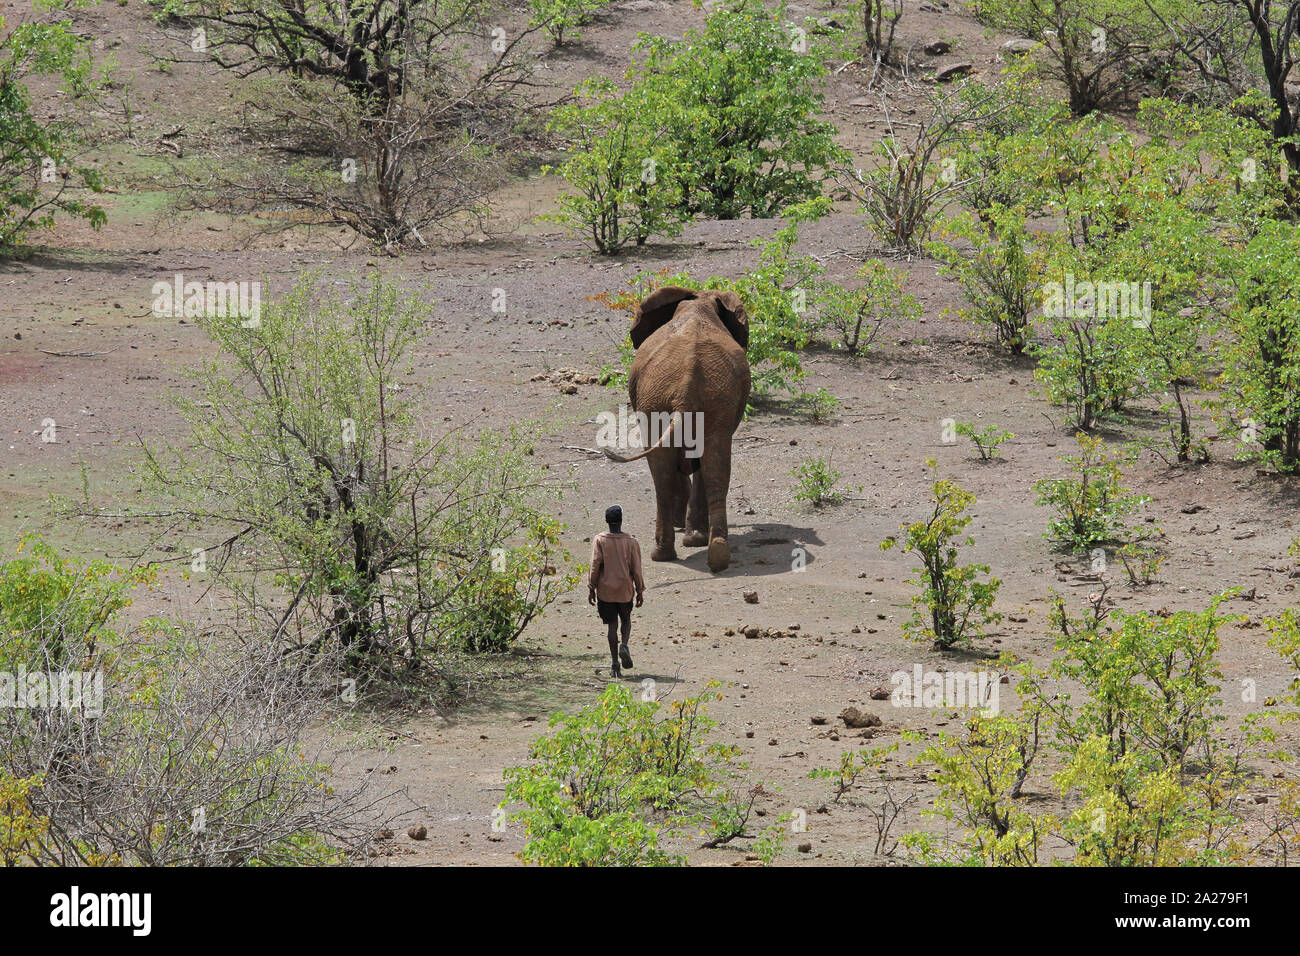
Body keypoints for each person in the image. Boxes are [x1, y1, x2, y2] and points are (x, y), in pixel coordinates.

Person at [588, 504, 645, 678]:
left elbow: (595, 566)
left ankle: (615, 664)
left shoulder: (599, 540)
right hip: (625, 589)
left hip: (606, 591)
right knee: (626, 620)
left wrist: (591, 587)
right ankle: (624, 645)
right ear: (621, 521)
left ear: (607, 521)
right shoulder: (631, 541)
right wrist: (640, 589)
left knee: (612, 626)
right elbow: (636, 568)